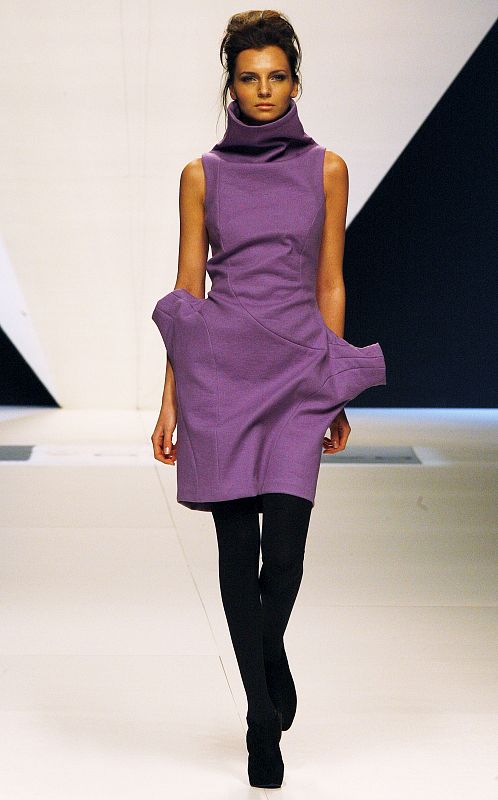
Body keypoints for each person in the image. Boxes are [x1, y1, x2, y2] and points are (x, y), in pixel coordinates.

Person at [151, 10, 386, 789]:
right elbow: (187, 294)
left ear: (295, 83)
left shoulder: (327, 169)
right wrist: (170, 399)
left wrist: (335, 384)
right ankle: (260, 718)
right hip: (219, 377)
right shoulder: (200, 175)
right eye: (249, 78)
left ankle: (267, 647)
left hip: (294, 377)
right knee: (234, 550)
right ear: (231, 84)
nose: (262, 90)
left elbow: (330, 282)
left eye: (276, 77)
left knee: (283, 552)